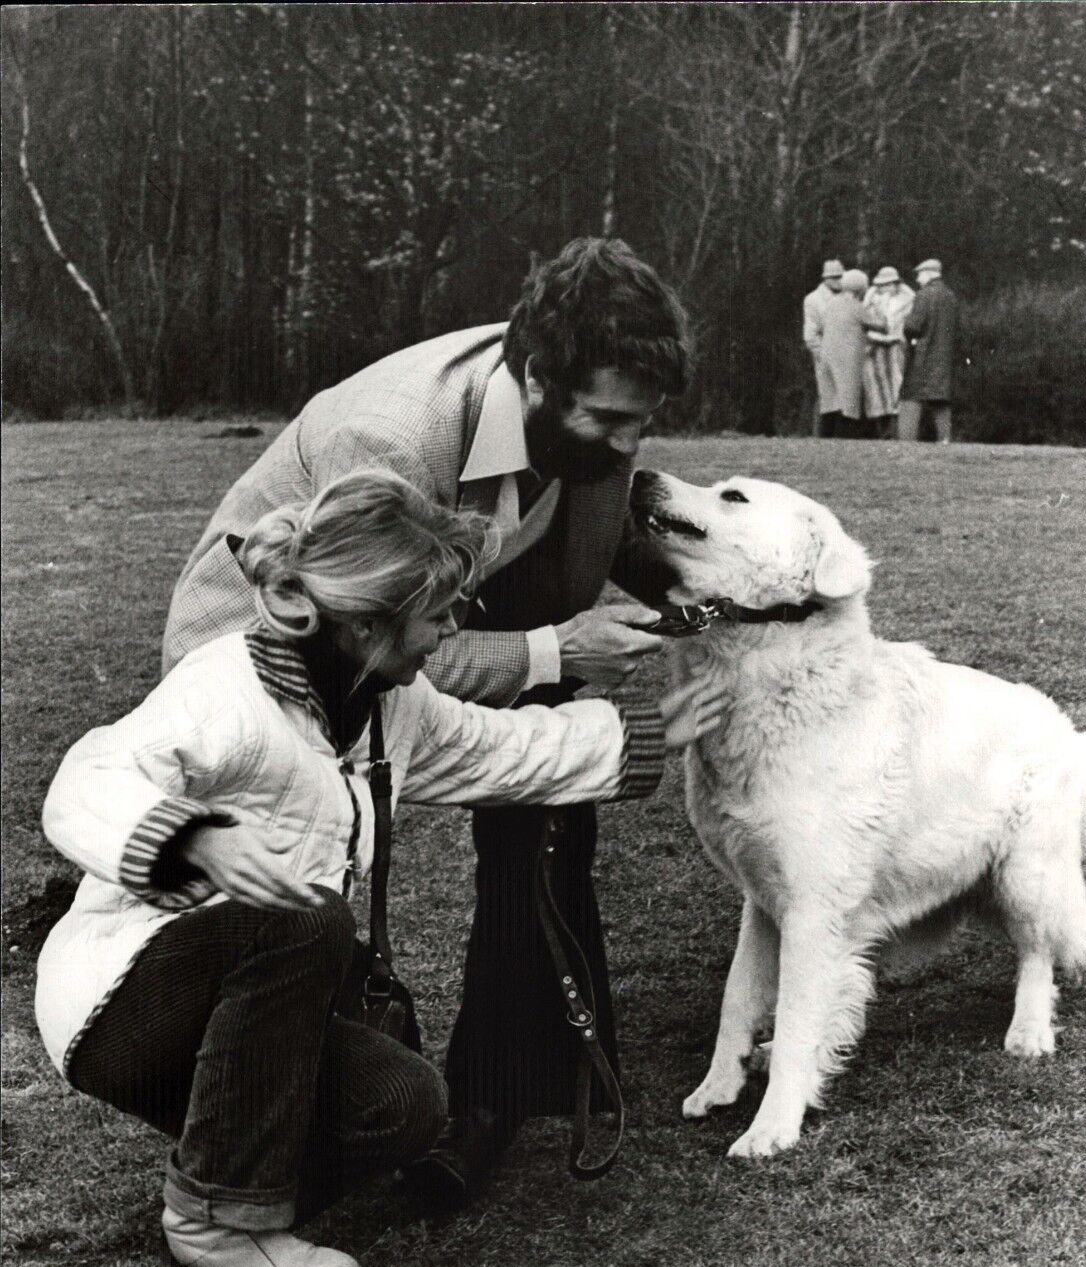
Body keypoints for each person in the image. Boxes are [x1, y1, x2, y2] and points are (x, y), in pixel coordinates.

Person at [36, 469, 725, 1267]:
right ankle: (220, 1219)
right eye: (438, 613)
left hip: (248, 1004)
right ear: (366, 623)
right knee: (298, 921)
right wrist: (194, 839)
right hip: (120, 1004)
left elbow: (496, 751)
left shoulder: (387, 704)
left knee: (407, 1106)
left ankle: (238, 1182)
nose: (452, 630)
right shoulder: (222, 693)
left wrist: (649, 731)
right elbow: (86, 778)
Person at [162, 238, 692, 1207]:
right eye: (611, 421)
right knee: (295, 903)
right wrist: (554, 652)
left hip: (426, 622)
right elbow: (373, 636)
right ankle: (258, 1138)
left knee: (545, 795)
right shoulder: (391, 436)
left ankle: (504, 1086)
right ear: (535, 375)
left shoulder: (584, 414)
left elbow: (599, 536)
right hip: (274, 655)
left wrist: (731, 582)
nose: (628, 447)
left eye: (641, 424)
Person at [816, 268, 887, 439]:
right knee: (848, 401)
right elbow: (880, 325)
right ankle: (844, 439)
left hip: (826, 356)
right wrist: (879, 310)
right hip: (848, 358)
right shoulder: (857, 307)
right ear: (860, 288)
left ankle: (825, 439)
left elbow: (820, 326)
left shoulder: (831, 303)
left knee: (830, 402)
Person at [898, 258, 959, 443]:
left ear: (929, 274)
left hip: (923, 356)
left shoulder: (924, 295)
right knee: (940, 398)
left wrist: (907, 330)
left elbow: (913, 327)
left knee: (910, 396)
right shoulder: (951, 296)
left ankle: (906, 441)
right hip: (945, 356)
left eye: (920, 274)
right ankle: (945, 439)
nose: (918, 279)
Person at [862, 266, 915, 440]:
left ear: (895, 283)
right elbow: (865, 328)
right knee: (877, 393)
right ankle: (882, 434)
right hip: (875, 352)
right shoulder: (871, 301)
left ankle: (896, 433)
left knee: (897, 391)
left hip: (897, 351)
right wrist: (883, 338)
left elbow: (909, 327)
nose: (884, 288)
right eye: (881, 285)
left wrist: (898, 339)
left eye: (888, 284)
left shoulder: (909, 300)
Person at [801, 259, 845, 437]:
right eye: (833, 277)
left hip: (847, 354)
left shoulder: (846, 296)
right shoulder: (813, 299)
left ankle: (839, 438)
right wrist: (822, 354)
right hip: (825, 353)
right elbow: (810, 334)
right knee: (827, 397)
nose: (837, 281)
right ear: (825, 278)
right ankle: (821, 436)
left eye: (840, 277)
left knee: (843, 399)